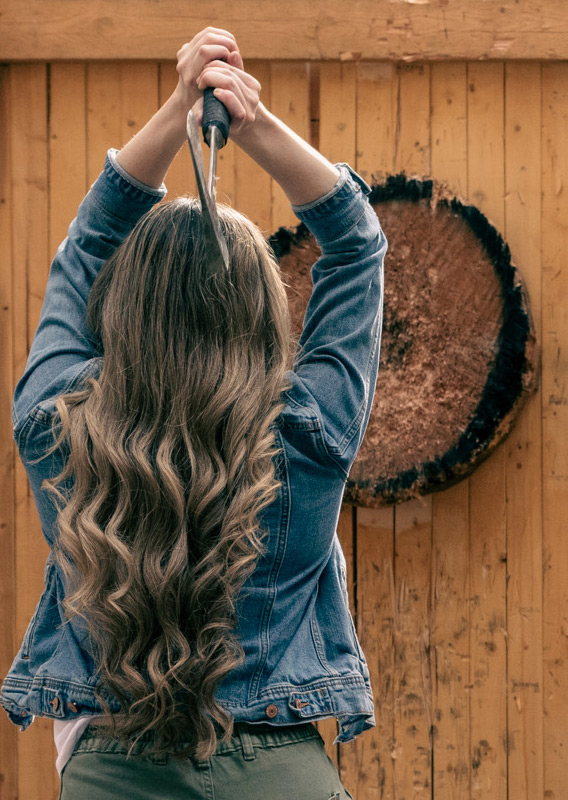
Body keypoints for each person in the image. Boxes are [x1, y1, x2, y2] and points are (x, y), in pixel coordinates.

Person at [1, 27, 386, 800]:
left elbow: (84, 249)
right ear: (256, 311)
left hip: (114, 773)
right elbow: (356, 245)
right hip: (281, 774)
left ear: (124, 308)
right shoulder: (307, 430)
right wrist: (253, 121)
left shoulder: (56, 422)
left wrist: (181, 104)